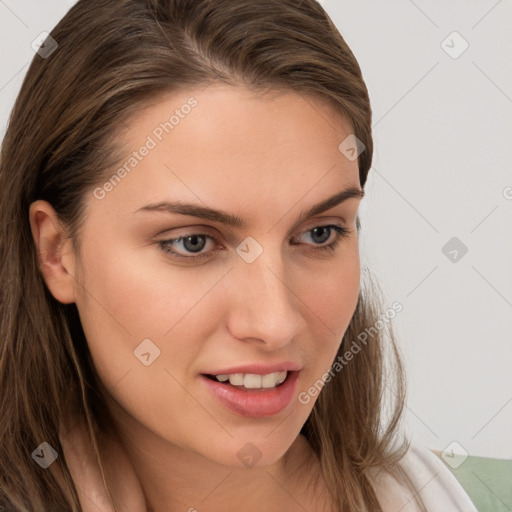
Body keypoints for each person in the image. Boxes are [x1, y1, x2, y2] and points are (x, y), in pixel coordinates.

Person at [0, 0, 478, 510]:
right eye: (192, 242)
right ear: (56, 252)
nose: (275, 323)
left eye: (319, 234)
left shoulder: (448, 494)